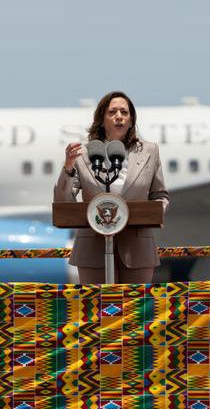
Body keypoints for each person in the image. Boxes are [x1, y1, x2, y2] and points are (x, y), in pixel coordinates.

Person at [55, 91, 169, 284]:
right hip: (93, 248)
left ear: (131, 120)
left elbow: (161, 196)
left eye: (124, 112)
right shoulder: (83, 153)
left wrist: (145, 215)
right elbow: (63, 202)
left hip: (137, 247)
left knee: (135, 311)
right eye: (112, 112)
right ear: (102, 119)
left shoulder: (149, 151)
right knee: (97, 311)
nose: (119, 117)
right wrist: (68, 167)